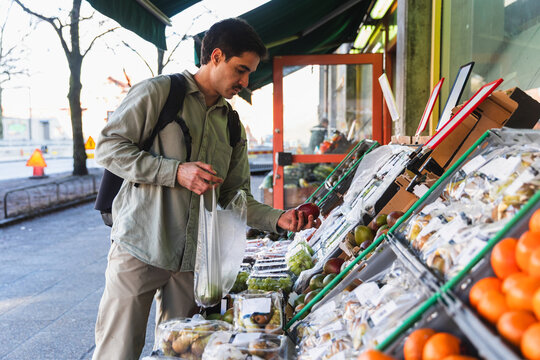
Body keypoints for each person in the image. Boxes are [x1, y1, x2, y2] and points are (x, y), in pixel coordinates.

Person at [92, 18, 320, 360]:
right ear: (215, 56)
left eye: (249, 74)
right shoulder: (159, 92)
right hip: (139, 246)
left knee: (182, 352)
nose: (245, 82)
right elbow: (108, 147)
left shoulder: (232, 124)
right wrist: (175, 172)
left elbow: (234, 197)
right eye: (240, 70)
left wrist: (279, 219)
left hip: (192, 264)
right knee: (118, 351)